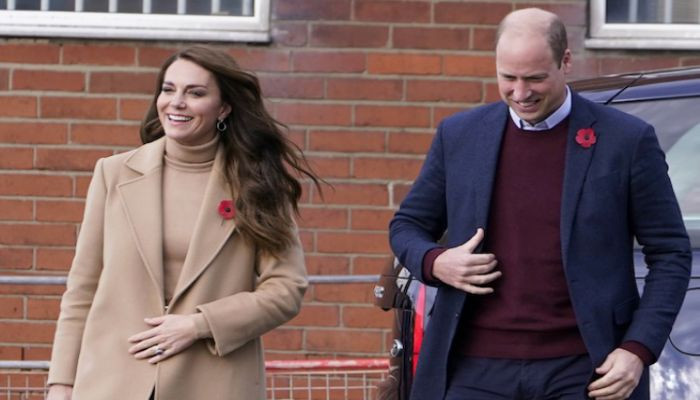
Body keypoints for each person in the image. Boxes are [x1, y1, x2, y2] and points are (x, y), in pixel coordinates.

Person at [389, 8, 691, 400]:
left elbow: (670, 252)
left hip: (585, 370)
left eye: (534, 78)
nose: (520, 93)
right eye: (508, 78)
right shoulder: (460, 135)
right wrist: (435, 262)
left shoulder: (626, 140)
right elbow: (407, 226)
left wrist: (637, 349)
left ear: (566, 61)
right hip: (473, 368)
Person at [45, 45, 318, 400]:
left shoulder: (257, 184)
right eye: (168, 89)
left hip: (213, 383)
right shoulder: (112, 173)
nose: (177, 102)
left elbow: (286, 288)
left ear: (224, 107)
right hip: (112, 383)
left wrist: (199, 324)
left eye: (195, 93)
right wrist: (61, 383)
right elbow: (83, 288)